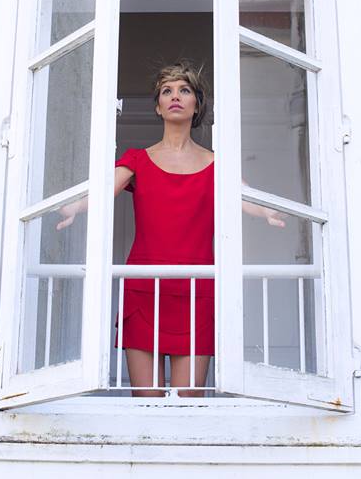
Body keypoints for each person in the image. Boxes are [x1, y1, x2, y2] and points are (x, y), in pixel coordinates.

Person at [56, 60, 284, 397]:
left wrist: (267, 211)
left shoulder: (216, 164)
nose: (175, 96)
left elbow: (244, 198)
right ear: (159, 107)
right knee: (146, 402)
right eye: (167, 91)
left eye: (185, 90)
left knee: (188, 404)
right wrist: (73, 207)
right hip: (144, 291)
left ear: (196, 105)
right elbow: (102, 193)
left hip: (197, 292)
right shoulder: (137, 159)